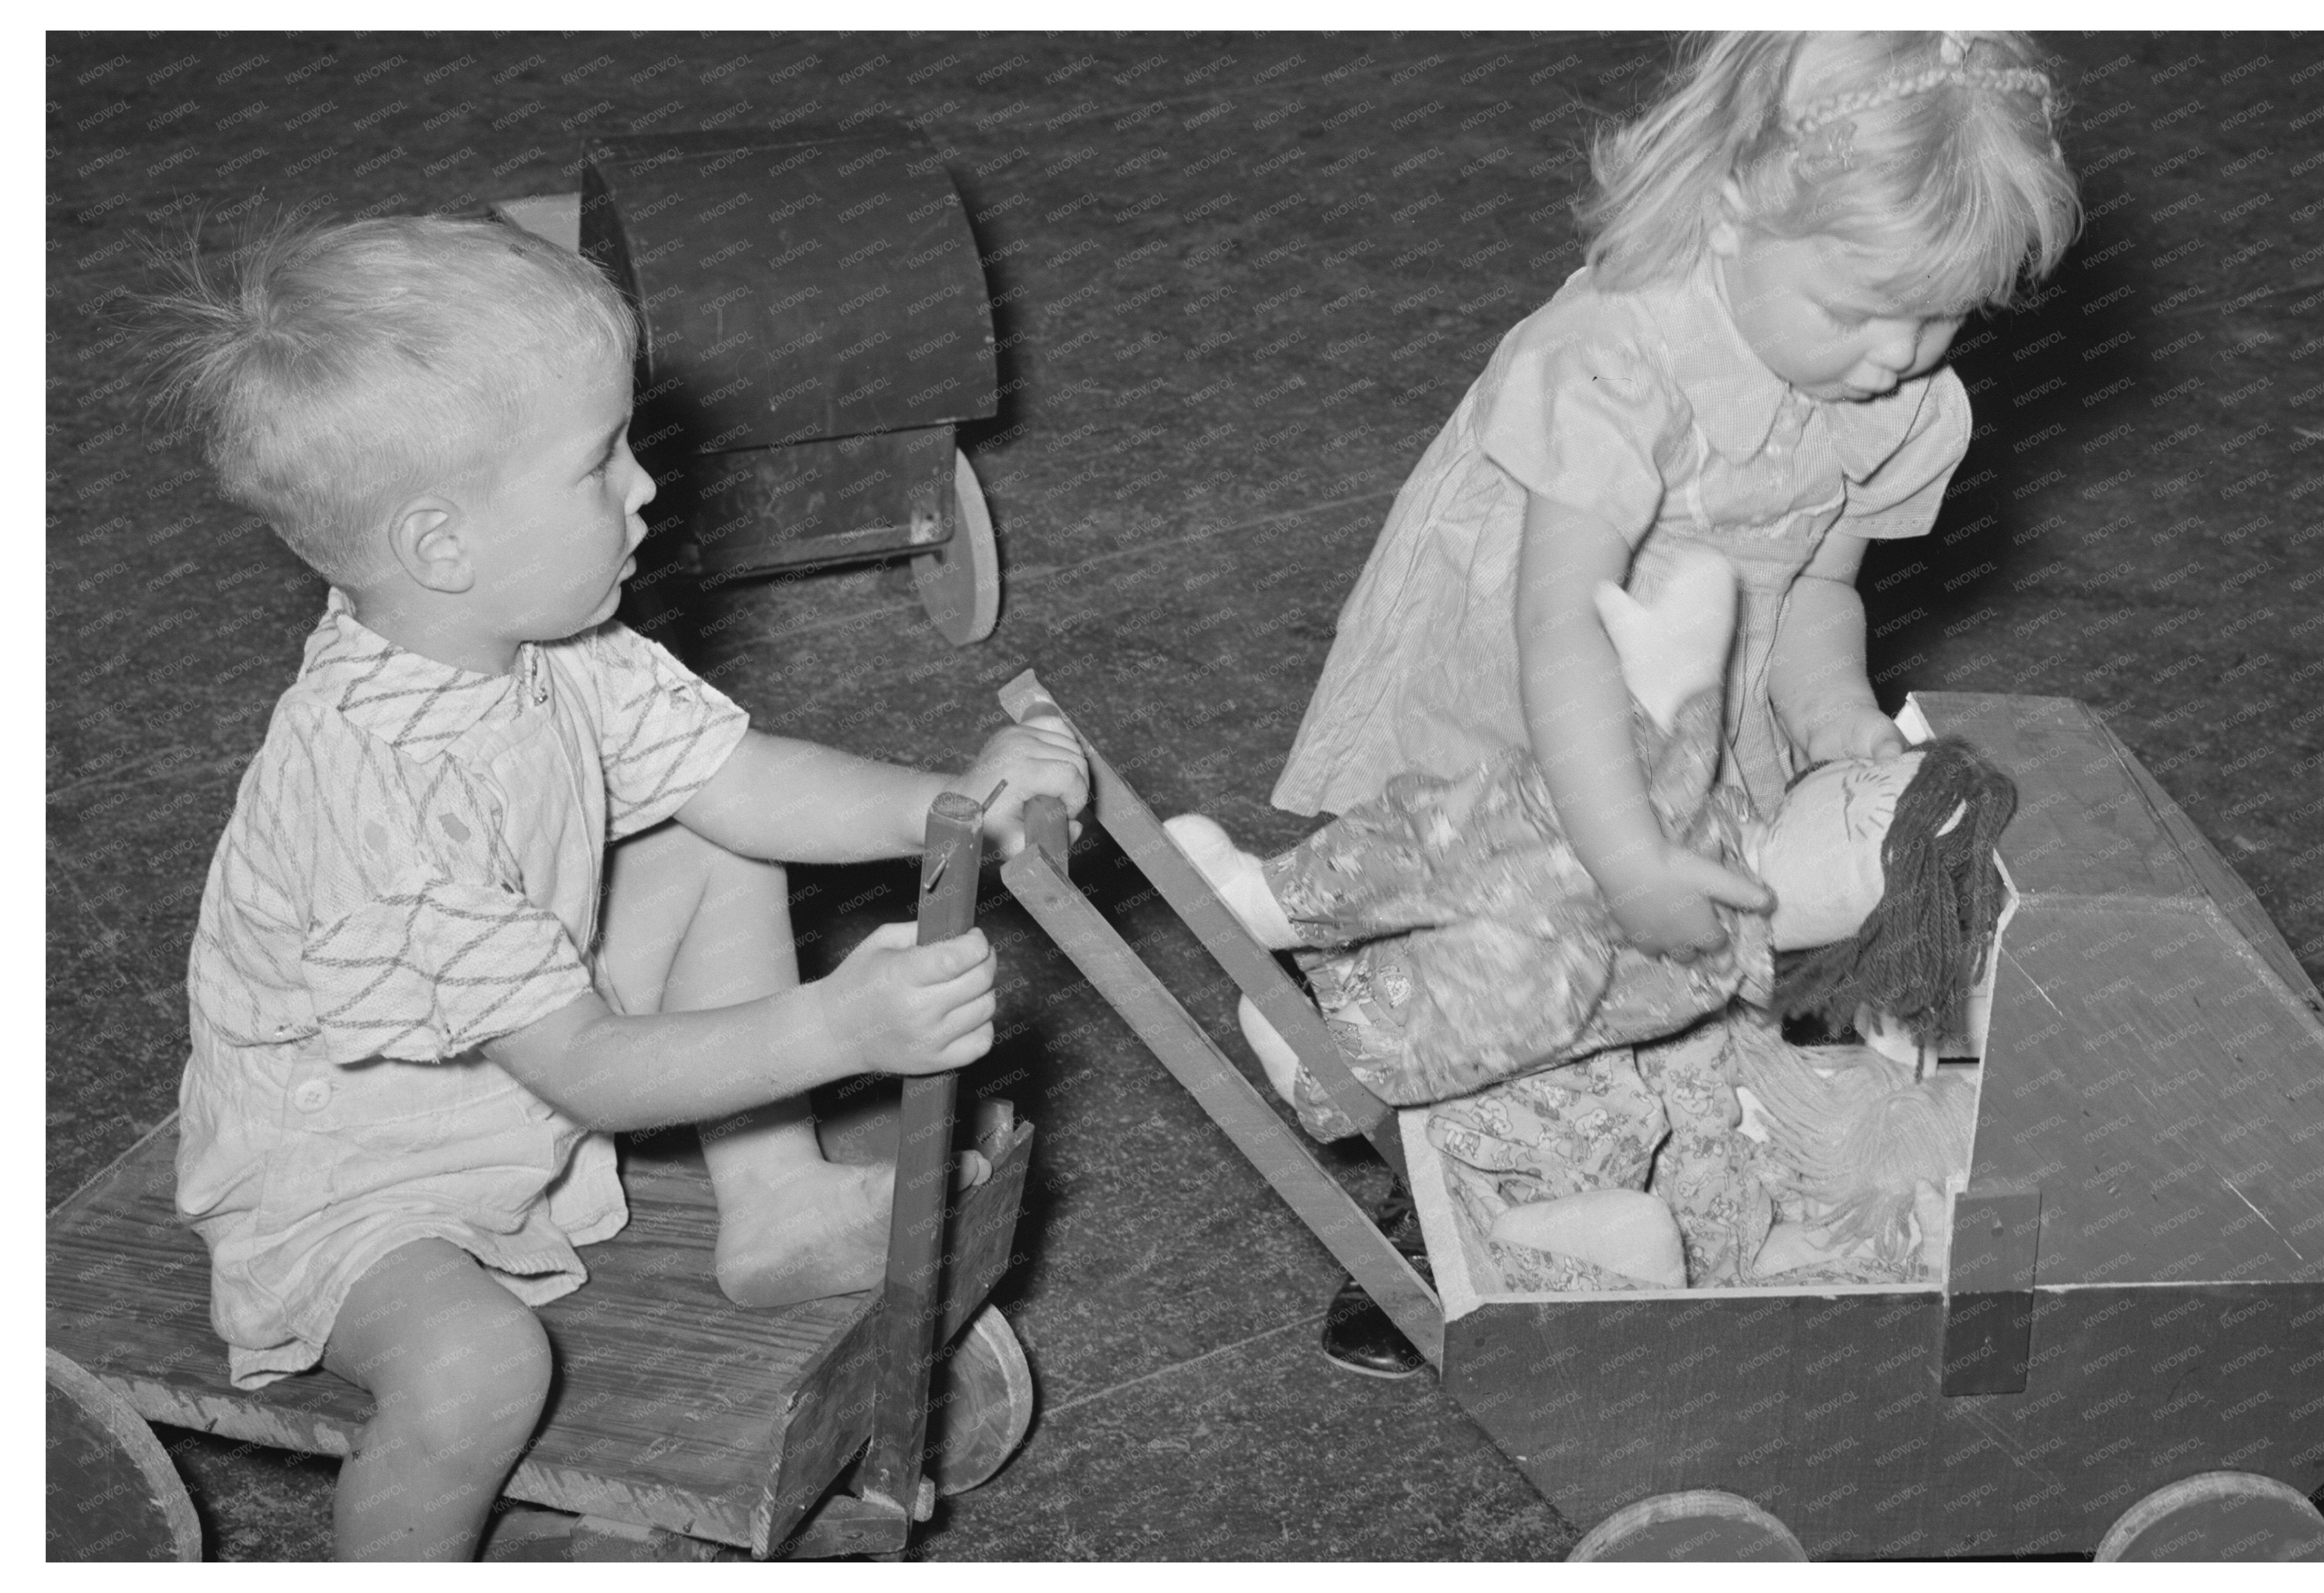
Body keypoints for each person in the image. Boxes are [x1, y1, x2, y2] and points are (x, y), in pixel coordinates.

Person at [142, 215, 1087, 1559]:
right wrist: (838, 1028)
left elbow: (738, 779)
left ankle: (773, 1206)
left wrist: (952, 806)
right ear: (442, 544)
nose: (648, 488)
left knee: (710, 840)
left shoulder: (550, 645)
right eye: (600, 464)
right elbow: (586, 1069)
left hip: (507, 1047)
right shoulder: (385, 797)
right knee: (479, 1372)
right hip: (357, 1170)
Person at [1264, 27, 2073, 1373]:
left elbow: (1817, 593)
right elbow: (1558, 626)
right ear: (1743, 199)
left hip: (1706, 682)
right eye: (1863, 310)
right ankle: (1453, 1224)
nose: (1901, 353)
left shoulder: (1899, 402)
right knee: (1522, 939)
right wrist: (1621, 846)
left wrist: (1840, 733)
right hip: (1537, 684)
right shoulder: (1618, 357)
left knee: (1685, 966)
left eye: (1944, 317)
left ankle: (1665, 1168)